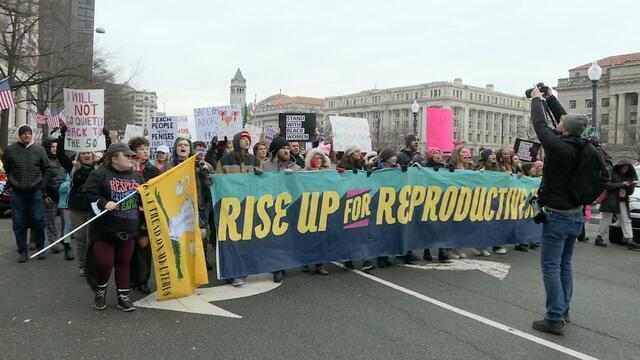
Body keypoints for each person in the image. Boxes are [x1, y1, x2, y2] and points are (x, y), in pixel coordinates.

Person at [529, 84, 588, 335]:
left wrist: (536, 101)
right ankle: (563, 310)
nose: (560, 121)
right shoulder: (583, 144)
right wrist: (551, 97)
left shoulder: (558, 148)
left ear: (565, 128)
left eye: (563, 121)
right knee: (565, 264)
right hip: (575, 215)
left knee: (551, 266)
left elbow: (540, 125)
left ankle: (554, 317)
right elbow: (567, 119)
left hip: (556, 215)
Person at [84, 143, 143, 311]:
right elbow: (88, 195)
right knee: (104, 262)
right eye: (128, 155)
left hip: (129, 230)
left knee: (124, 263)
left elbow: (144, 197)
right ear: (115, 158)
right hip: (105, 231)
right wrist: (103, 202)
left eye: (132, 156)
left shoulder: (137, 177)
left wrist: (143, 200)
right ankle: (100, 290)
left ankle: (123, 297)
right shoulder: (99, 174)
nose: (132, 158)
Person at [1, 124, 53, 263]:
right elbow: (6, 168)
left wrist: (42, 187)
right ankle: (22, 251)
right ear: (20, 135)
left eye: (29, 133)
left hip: (35, 191)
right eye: (24, 133)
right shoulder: (11, 150)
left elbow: (47, 169)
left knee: (37, 219)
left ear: (32, 135)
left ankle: (41, 248)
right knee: (18, 222)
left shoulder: (39, 150)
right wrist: (11, 184)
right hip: (17, 193)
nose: (26, 135)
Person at [216, 132, 261, 285]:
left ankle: (242, 269)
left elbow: (262, 184)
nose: (246, 142)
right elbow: (218, 183)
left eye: (248, 139)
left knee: (246, 240)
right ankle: (232, 273)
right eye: (243, 139)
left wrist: (261, 176)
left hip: (249, 206)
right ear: (236, 142)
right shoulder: (224, 160)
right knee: (231, 241)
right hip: (230, 207)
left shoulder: (255, 160)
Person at [263, 137, 300, 282]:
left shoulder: (295, 167)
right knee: (275, 239)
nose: (286, 150)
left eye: (287, 148)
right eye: (283, 148)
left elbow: (304, 183)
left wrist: (295, 177)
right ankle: (277, 267)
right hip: (271, 207)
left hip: (289, 208)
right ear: (276, 151)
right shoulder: (266, 166)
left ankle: (281, 264)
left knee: (285, 239)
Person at [128, 137, 162, 294]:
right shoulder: (126, 169)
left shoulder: (153, 171)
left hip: (144, 218)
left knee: (144, 250)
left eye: (147, 148)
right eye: (142, 148)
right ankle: (129, 279)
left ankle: (143, 280)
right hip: (127, 215)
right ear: (133, 151)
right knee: (128, 249)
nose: (146, 151)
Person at [336, 144, 377, 271]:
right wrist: (345, 175)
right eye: (357, 151)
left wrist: (369, 172)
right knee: (350, 233)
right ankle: (348, 259)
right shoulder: (342, 167)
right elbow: (338, 183)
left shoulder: (362, 165)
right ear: (350, 154)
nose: (360, 153)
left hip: (362, 200)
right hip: (348, 203)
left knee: (362, 232)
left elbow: (369, 180)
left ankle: (366, 260)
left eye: (360, 151)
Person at [594, 159, 639, 250]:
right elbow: (607, 185)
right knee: (606, 219)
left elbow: (629, 193)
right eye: (623, 168)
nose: (625, 170)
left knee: (625, 219)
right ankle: (599, 237)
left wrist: (631, 186)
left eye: (626, 168)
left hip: (622, 200)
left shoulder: (629, 176)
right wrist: (622, 184)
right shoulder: (612, 174)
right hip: (611, 200)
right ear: (619, 167)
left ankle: (630, 240)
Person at [301, 147, 331, 275]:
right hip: (306, 208)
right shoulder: (303, 173)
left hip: (322, 209)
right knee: (307, 237)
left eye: (320, 158)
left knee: (322, 238)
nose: (318, 161)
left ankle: (320, 265)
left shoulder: (327, 174)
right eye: (315, 158)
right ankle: (305, 262)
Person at [42, 136, 73, 259]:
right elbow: (41, 179)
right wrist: (44, 194)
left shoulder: (64, 160)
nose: (54, 149)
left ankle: (64, 240)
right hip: (50, 195)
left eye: (56, 147)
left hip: (64, 195)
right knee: (50, 221)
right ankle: (53, 242)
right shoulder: (43, 161)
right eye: (52, 147)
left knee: (66, 222)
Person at [420, 147, 453, 263]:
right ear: (430, 155)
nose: (438, 156)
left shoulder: (444, 166)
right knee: (429, 225)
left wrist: (451, 170)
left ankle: (442, 252)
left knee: (443, 224)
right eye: (435, 153)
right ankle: (426, 250)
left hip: (442, 199)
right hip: (429, 198)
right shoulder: (424, 166)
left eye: (440, 153)